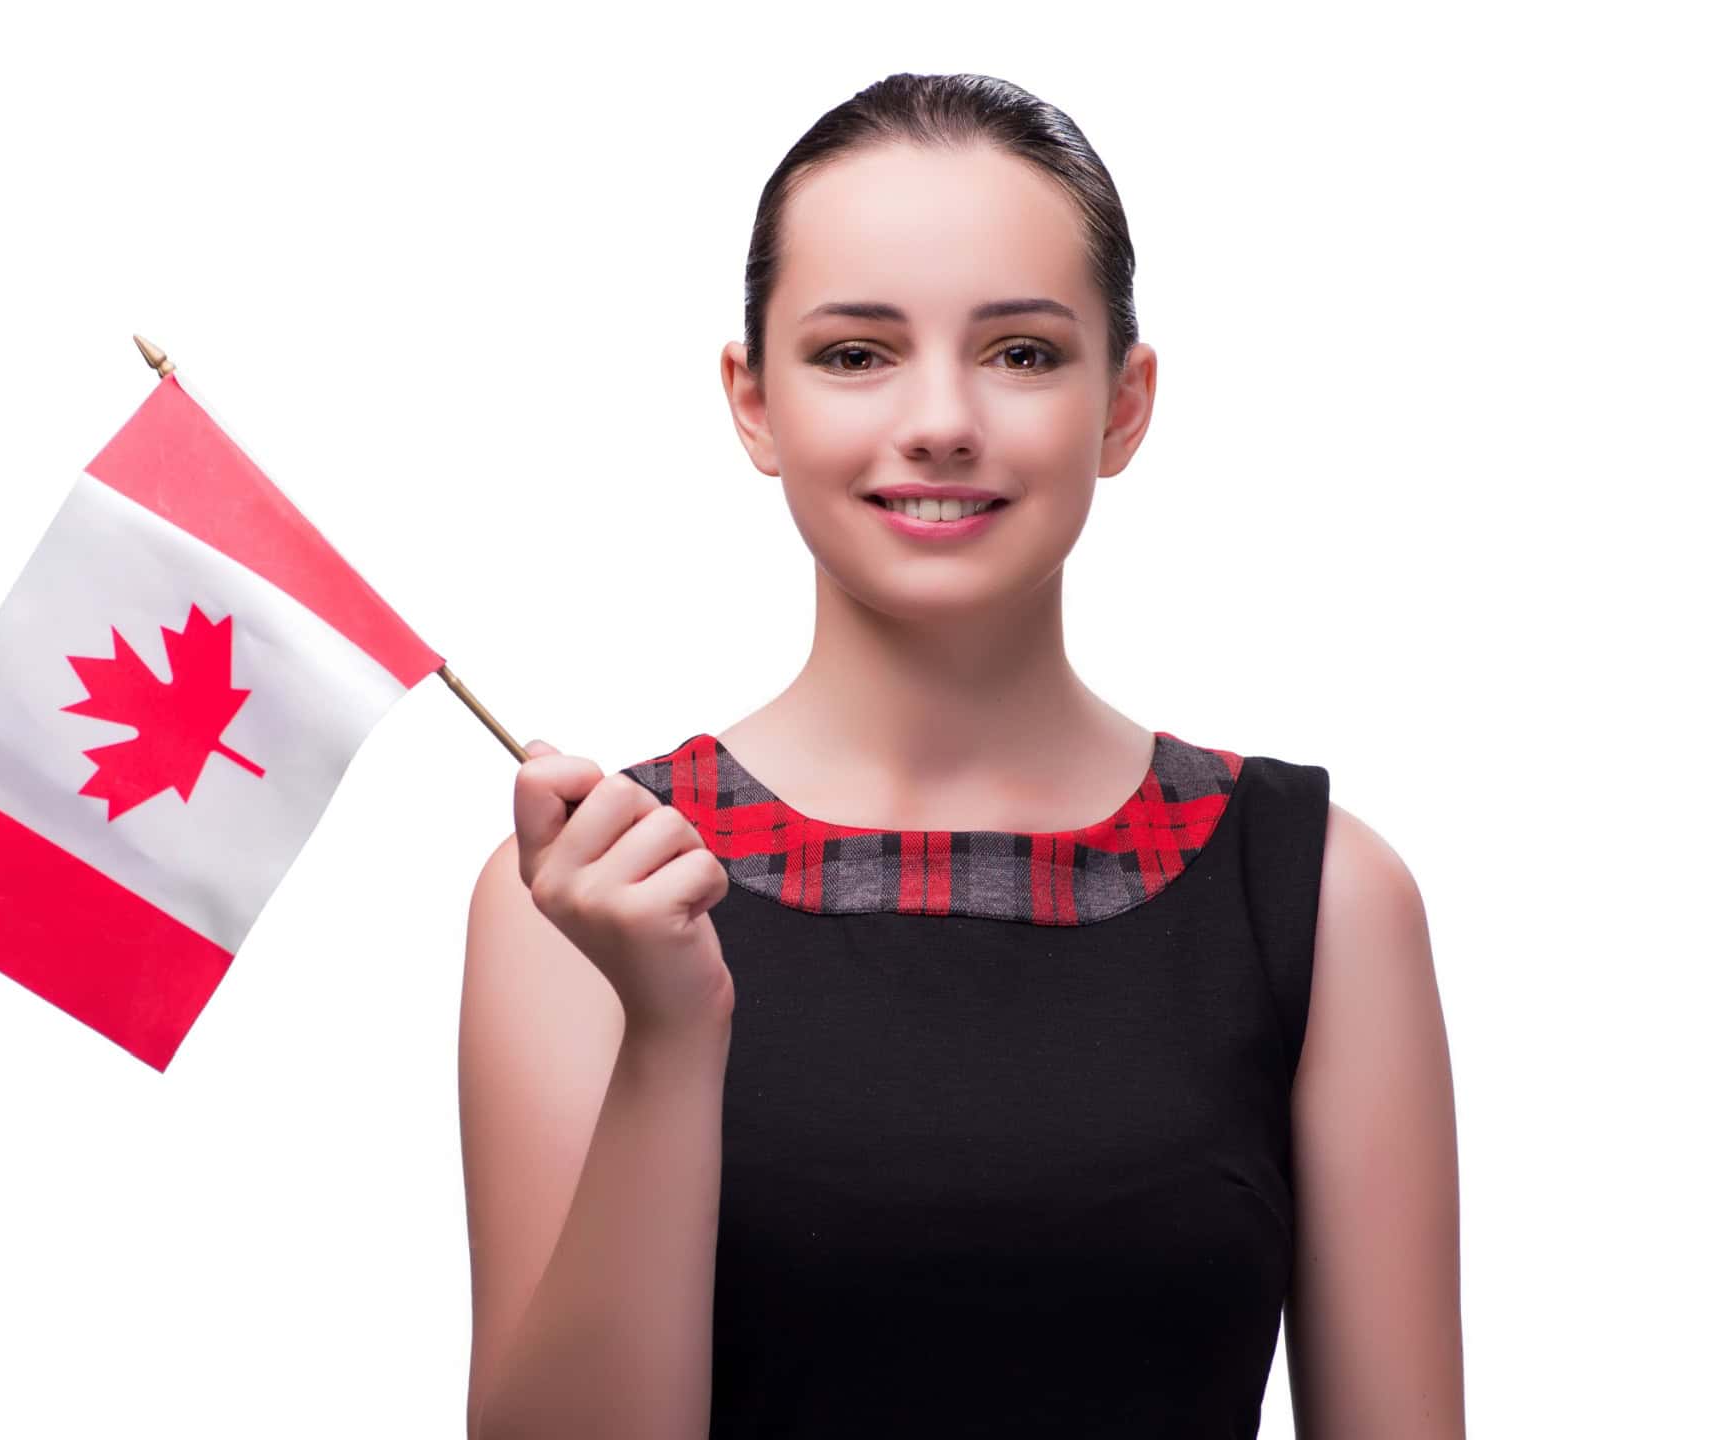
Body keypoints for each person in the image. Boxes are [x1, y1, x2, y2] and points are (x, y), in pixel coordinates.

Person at [458, 72, 1463, 1438]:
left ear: (1125, 402)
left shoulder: (1323, 896)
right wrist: (670, 1037)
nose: (940, 420)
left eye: (1024, 353)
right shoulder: (586, 892)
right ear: (753, 401)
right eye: (857, 353)